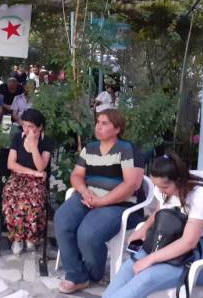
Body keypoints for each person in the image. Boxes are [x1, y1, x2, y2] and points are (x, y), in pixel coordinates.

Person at [103, 152, 203, 298]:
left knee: (146, 278)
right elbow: (160, 210)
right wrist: (144, 229)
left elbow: (189, 242)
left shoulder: (201, 195)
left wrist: (149, 259)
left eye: (164, 187)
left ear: (179, 180)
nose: (160, 191)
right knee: (127, 269)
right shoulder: (164, 189)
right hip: (169, 241)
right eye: (156, 186)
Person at [55, 109, 142, 294]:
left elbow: (130, 184)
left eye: (104, 123)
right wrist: (84, 191)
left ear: (117, 129)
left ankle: (93, 273)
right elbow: (76, 175)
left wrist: (101, 202)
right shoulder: (90, 148)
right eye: (98, 122)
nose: (98, 127)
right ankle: (77, 275)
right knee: (62, 220)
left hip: (116, 203)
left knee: (88, 234)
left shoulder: (125, 149)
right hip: (88, 197)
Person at [3, 108, 53, 255]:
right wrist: (33, 172)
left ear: (40, 127)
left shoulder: (46, 141)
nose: (26, 129)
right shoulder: (17, 138)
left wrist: (33, 148)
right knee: (11, 197)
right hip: (18, 177)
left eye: (30, 126)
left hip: (37, 181)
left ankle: (31, 236)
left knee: (33, 200)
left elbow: (41, 166)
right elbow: (11, 164)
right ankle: (17, 238)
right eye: (24, 125)